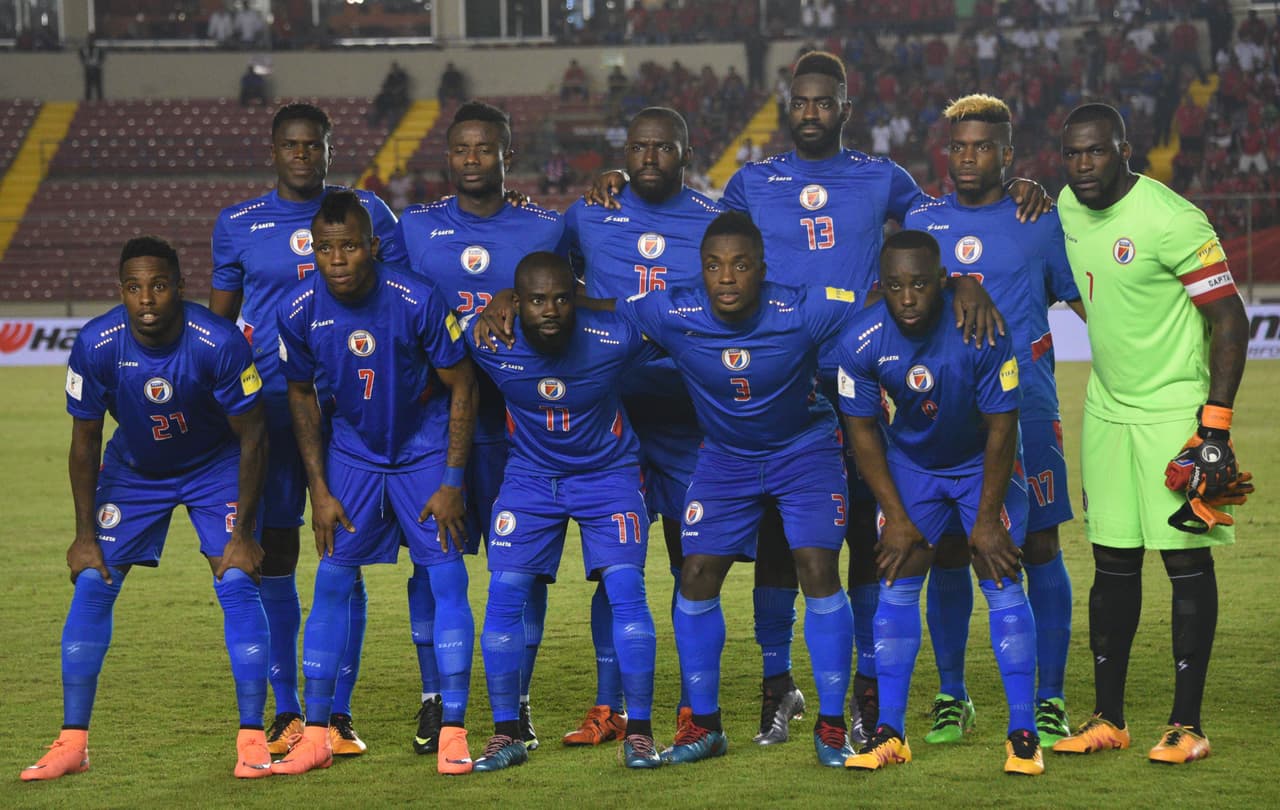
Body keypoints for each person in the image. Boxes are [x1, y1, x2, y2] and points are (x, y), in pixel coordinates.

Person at [586, 50, 1042, 746]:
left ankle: (862, 688)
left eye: (822, 102)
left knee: (866, 532)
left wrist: (961, 278)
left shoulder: (881, 177)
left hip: (862, 373)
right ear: (786, 105)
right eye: (799, 102)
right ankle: (779, 683)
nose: (809, 113)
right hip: (772, 383)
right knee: (777, 536)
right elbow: (699, 225)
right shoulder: (751, 181)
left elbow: (936, 234)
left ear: (844, 110)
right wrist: (626, 178)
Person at [22, 236, 271, 781]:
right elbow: (85, 442)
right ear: (121, 292)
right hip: (135, 471)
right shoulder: (96, 343)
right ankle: (72, 743)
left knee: (235, 579)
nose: (147, 298)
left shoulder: (218, 341)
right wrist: (84, 534)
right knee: (93, 581)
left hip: (214, 467)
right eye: (134, 288)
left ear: (180, 287)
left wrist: (245, 532)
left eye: (159, 285)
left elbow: (254, 436)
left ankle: (253, 739)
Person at [1051, 104, 1251, 764]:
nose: (1083, 166)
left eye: (1096, 152)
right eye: (1072, 154)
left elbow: (1230, 320)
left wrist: (1213, 429)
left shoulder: (1171, 219)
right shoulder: (1066, 207)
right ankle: (1109, 718)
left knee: (1185, 564)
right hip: (1107, 412)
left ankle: (1186, 724)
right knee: (1111, 566)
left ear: (1124, 149)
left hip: (1174, 416)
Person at [211, 103, 400, 758]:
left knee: (342, 558)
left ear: (327, 148)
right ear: (274, 150)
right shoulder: (237, 225)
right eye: (289, 144)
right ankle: (290, 709)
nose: (300, 154)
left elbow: (401, 296)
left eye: (311, 144)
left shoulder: (370, 215)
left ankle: (338, 714)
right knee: (280, 559)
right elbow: (218, 327)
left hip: (351, 409)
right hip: (267, 412)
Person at [270, 191, 479, 776]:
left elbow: (463, 384)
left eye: (349, 246)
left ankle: (454, 730)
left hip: (423, 451)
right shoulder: (298, 310)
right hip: (353, 456)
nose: (337, 259)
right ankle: (316, 733)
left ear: (373, 247)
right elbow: (301, 396)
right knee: (333, 581)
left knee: (447, 576)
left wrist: (452, 480)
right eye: (325, 248)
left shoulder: (416, 299)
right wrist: (319, 491)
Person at [380, 100, 565, 756]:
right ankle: (435, 696)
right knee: (436, 568)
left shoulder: (547, 226)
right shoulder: (417, 228)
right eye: (461, 149)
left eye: (485, 149)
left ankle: (517, 700)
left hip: (522, 432)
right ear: (448, 156)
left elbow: (571, 297)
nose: (472, 160)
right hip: (437, 428)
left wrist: (513, 297)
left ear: (507, 156)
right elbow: (391, 310)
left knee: (526, 572)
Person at [902, 94, 1085, 749]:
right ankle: (954, 694)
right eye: (959, 146)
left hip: (1028, 407)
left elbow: (1082, 298)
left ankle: (1051, 695)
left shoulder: (1041, 220)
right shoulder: (920, 219)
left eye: (983, 146)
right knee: (949, 549)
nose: (969, 157)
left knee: (1039, 548)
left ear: (1009, 154)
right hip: (945, 417)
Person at [836, 230, 1041, 776]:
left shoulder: (980, 330)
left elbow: (1003, 428)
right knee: (897, 580)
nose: (908, 297)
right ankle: (891, 734)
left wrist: (986, 521)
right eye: (897, 286)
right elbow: (863, 433)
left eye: (921, 284)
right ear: (882, 286)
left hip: (981, 462)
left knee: (999, 575)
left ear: (943, 281)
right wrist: (897, 518)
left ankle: (1024, 734)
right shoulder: (860, 339)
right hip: (913, 467)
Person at [558, 107, 722, 747]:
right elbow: (550, 275)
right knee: (615, 566)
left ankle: (689, 704)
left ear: (686, 151)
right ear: (624, 151)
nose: (649, 156)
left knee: (691, 562)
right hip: (611, 421)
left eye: (663, 146)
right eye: (638, 146)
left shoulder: (711, 222)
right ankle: (612, 705)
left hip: (686, 416)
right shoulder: (588, 212)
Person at [464, 253, 661, 772]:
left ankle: (639, 731)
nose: (549, 310)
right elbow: (438, 337)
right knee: (504, 595)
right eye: (535, 299)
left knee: (625, 589)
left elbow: (671, 321)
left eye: (560, 298)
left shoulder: (614, 336)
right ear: (516, 302)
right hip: (530, 478)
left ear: (575, 298)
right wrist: (489, 303)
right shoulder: (486, 339)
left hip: (609, 476)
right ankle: (507, 731)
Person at [78, 34, 105, 101]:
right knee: (88, 87)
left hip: (96, 69)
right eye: (90, 40)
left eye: (92, 40)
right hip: (88, 69)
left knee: (98, 87)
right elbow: (82, 58)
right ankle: (88, 101)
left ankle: (100, 101)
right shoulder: (84, 49)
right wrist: (88, 63)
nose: (91, 41)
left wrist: (96, 63)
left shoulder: (99, 50)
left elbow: (101, 58)